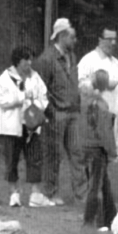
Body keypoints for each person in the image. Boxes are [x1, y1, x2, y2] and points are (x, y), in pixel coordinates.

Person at [33, 17, 82, 206]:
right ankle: (50, 192)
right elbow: (41, 87)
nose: (75, 40)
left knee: (78, 153)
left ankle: (81, 195)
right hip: (57, 113)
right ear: (62, 36)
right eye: (72, 37)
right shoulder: (46, 59)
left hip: (73, 112)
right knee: (53, 155)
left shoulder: (72, 57)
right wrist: (50, 111)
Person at [0, 46, 50, 207]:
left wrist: (36, 106)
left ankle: (35, 194)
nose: (30, 63)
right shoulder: (4, 79)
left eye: (31, 59)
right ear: (18, 61)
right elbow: (3, 102)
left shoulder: (35, 77)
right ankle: (14, 194)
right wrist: (22, 96)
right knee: (11, 160)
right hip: (11, 127)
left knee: (34, 158)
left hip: (31, 125)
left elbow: (43, 97)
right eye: (26, 60)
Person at [78, 26, 118, 200]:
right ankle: (90, 193)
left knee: (104, 157)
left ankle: (102, 193)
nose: (112, 43)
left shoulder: (116, 63)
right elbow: (81, 85)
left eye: (115, 39)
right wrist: (99, 85)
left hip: (112, 113)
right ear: (100, 39)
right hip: (95, 114)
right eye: (109, 39)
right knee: (94, 155)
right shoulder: (88, 60)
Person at [79, 70, 118, 230]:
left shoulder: (83, 102)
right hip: (97, 148)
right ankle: (89, 220)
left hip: (85, 145)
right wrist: (112, 151)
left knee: (103, 183)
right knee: (95, 185)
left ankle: (110, 216)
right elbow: (105, 132)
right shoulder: (101, 105)